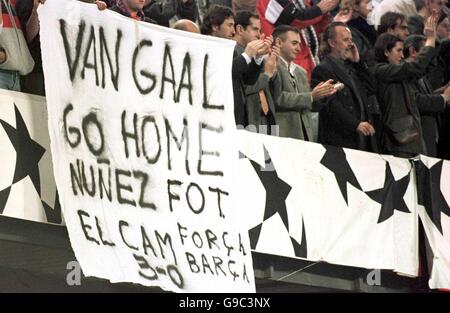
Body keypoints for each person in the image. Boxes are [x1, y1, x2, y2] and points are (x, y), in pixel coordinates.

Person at [371, 15, 450, 158]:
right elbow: (414, 67)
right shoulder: (381, 70)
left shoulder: (396, 73)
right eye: (399, 50)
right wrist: (430, 39)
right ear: (386, 51)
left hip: (410, 139)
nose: (402, 55)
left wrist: (442, 91)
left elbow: (421, 70)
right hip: (397, 140)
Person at [312, 22, 378, 152]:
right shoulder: (323, 69)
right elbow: (331, 105)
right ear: (332, 43)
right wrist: (355, 124)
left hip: (361, 138)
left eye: (351, 40)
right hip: (340, 139)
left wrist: (358, 63)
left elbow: (372, 88)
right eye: (345, 40)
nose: (350, 44)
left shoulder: (352, 66)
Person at [269, 25, 336, 141]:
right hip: (281, 137)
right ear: (279, 42)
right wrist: (310, 96)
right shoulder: (269, 66)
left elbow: (308, 106)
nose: (299, 48)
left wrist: (321, 95)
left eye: (299, 44)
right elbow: (277, 98)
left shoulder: (301, 72)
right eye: (294, 43)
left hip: (304, 138)